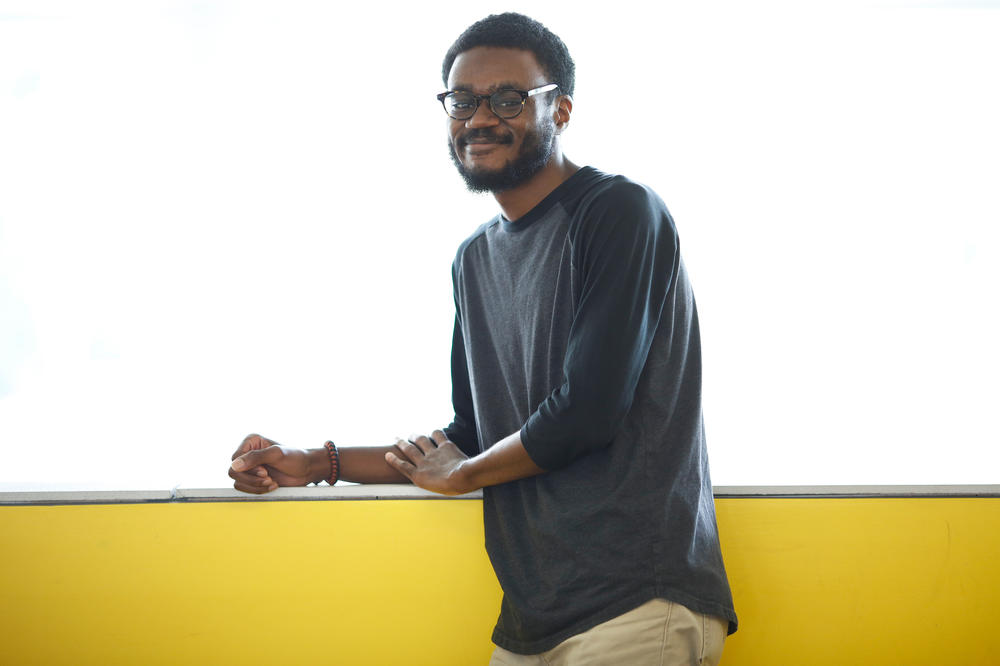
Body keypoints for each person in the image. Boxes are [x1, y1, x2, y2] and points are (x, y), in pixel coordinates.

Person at [228, 12, 737, 665]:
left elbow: (588, 411)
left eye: (507, 99)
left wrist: (464, 476)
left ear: (562, 110)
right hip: (533, 617)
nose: (479, 119)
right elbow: (473, 432)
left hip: (639, 603)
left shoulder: (619, 212)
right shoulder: (474, 259)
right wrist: (317, 463)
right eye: (462, 101)